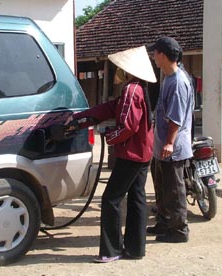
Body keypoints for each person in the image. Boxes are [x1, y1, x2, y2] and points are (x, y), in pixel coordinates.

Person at [65, 46, 157, 262]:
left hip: (131, 154)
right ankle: (135, 249)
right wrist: (83, 116)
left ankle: (111, 250)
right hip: (143, 152)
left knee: (111, 199)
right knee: (137, 198)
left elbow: (127, 126)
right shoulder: (140, 88)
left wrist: (109, 137)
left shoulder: (131, 90)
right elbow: (110, 108)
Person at [146, 37, 194, 243]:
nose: (153, 57)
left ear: (163, 55)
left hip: (172, 147)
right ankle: (164, 223)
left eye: (155, 53)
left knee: (174, 190)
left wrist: (168, 142)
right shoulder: (168, 77)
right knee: (162, 187)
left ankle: (179, 230)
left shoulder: (177, 81)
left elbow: (176, 117)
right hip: (162, 145)